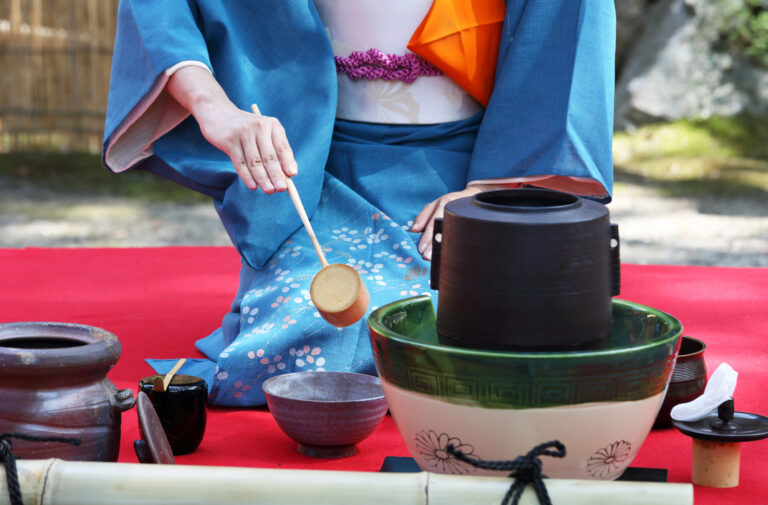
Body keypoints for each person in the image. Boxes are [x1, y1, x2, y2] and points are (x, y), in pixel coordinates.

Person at [103, 0, 616, 406]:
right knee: (313, 329)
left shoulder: (485, 186)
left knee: (471, 327)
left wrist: (492, 194)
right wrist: (213, 105)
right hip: (316, 160)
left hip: (473, 171)